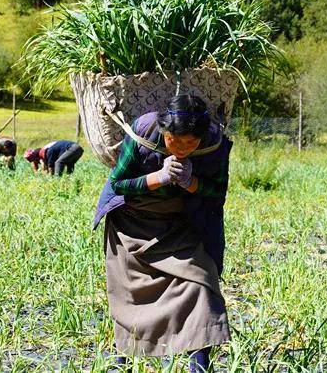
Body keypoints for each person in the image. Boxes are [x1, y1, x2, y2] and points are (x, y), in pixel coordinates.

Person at [93, 94, 232, 372]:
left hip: (181, 226)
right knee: (129, 301)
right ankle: (121, 365)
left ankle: (200, 367)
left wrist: (191, 183)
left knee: (201, 288)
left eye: (190, 143)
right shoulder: (143, 131)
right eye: (174, 141)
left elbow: (218, 192)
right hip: (132, 227)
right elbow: (119, 183)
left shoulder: (214, 144)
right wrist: (158, 178)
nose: (181, 148)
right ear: (164, 130)